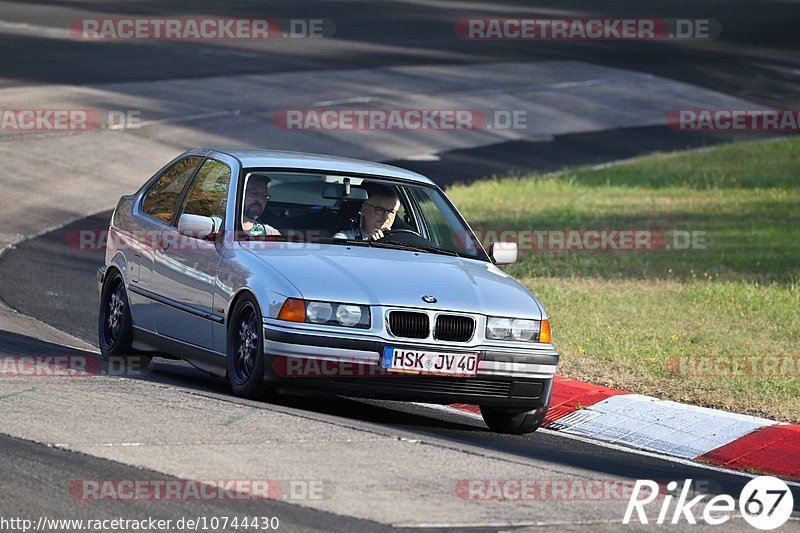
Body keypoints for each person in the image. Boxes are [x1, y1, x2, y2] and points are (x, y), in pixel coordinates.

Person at [333, 183, 400, 240]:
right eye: (380, 210)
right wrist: (368, 245)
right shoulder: (345, 238)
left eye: (391, 212)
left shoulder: (402, 242)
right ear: (364, 209)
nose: (386, 217)